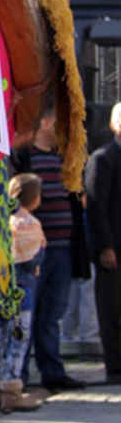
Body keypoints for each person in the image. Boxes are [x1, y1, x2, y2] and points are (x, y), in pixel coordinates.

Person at [12, 106, 89, 391]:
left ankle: (52, 372)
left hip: (62, 247)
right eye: (58, 122)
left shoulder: (64, 158)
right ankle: (16, 374)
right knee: (25, 313)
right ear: (44, 122)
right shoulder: (23, 156)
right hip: (31, 251)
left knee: (52, 313)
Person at [0, 173, 45, 412]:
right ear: (34, 198)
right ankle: (12, 389)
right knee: (18, 337)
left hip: (1, 287)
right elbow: (32, 260)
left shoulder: (1, 221)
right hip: (23, 289)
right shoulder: (29, 224)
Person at [84, 102, 121, 384]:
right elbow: (96, 206)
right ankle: (115, 366)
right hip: (113, 246)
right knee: (112, 307)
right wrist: (105, 246)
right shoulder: (103, 158)